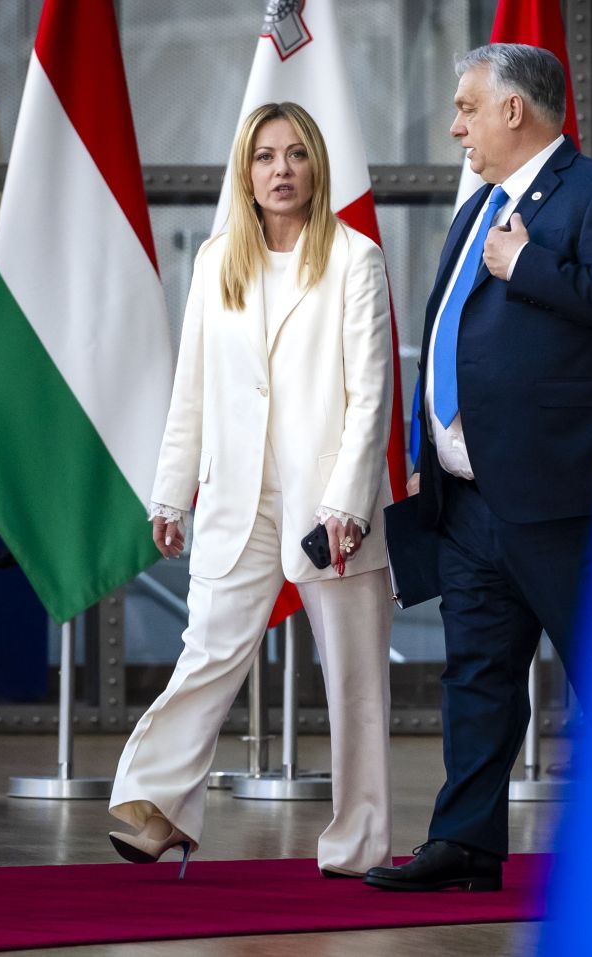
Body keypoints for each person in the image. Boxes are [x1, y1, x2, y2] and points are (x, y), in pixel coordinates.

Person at [363, 44, 592, 892]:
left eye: (468, 107)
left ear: (513, 110)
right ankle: (465, 843)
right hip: (467, 501)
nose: (457, 126)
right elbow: (449, 336)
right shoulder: (477, 210)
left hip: (563, 500)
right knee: (477, 677)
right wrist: (428, 454)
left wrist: (528, 264)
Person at [107, 101, 396, 877]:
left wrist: (346, 503)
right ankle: (156, 806)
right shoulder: (216, 261)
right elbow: (191, 390)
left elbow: (371, 396)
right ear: (246, 169)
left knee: (355, 681)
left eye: (295, 154)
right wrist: (171, 493)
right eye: (265, 156)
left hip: (330, 504)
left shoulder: (356, 259)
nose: (281, 169)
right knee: (206, 651)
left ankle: (358, 842)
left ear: (316, 166)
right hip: (237, 496)